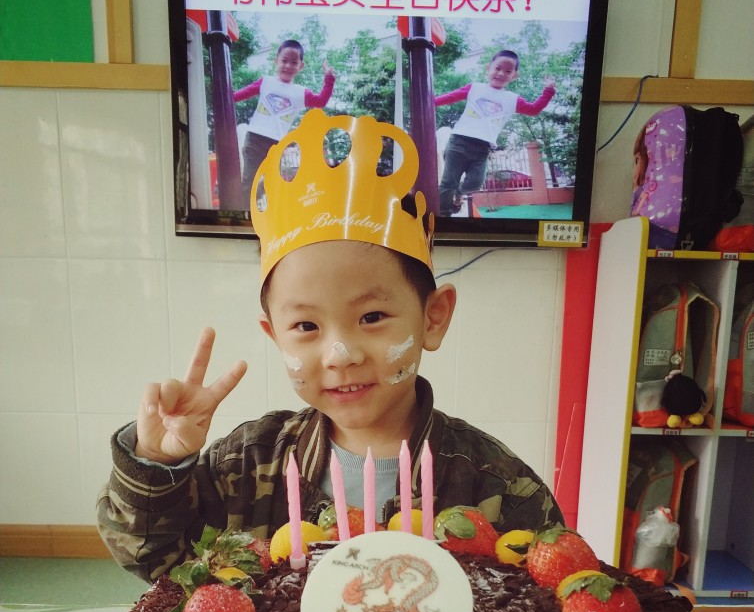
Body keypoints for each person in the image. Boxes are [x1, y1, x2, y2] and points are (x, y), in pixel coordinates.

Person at [97, 110, 562, 582]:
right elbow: (157, 559)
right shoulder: (247, 465)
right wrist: (158, 462)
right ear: (274, 336)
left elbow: (554, 595)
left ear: (433, 317)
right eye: (306, 326)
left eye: (372, 317)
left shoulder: (497, 488)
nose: (341, 355)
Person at [434, 50, 555, 216]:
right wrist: (429, 101)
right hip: (459, 142)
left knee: (475, 183)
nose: (501, 73)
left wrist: (548, 91)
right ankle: (442, 215)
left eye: (508, 71)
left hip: (482, 148)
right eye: (497, 68)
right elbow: (449, 97)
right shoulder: (475, 88)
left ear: (514, 76)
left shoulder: (513, 99)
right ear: (488, 68)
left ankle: (459, 193)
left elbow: (533, 109)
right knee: (449, 182)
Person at [233, 39, 335, 209]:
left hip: (276, 143)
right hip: (254, 139)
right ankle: (245, 213)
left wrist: (329, 79)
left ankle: (268, 213)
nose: (288, 66)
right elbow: (237, 96)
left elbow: (320, 101)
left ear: (301, 66)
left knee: (273, 182)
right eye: (284, 61)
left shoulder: (300, 92)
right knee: (250, 180)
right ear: (276, 61)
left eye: (294, 62)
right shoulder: (266, 82)